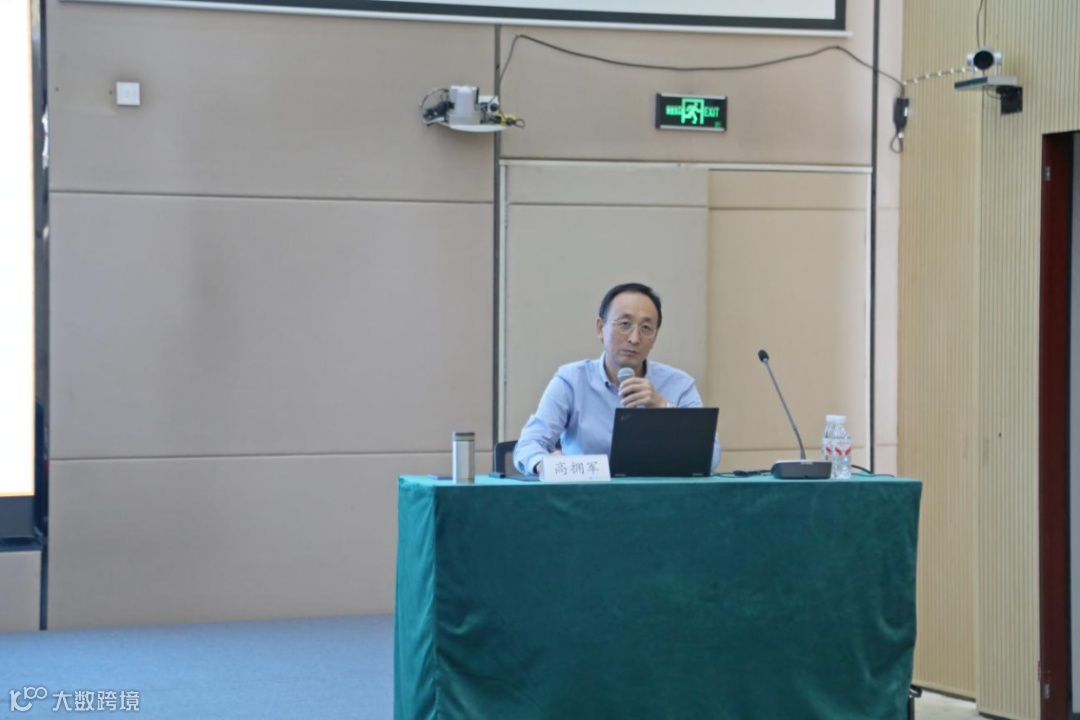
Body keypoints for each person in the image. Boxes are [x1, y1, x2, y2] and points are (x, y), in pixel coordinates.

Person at [513, 282, 721, 475]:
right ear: (600, 328)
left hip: (660, 497)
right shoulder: (572, 381)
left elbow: (711, 457)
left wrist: (664, 408)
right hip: (587, 496)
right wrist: (545, 464)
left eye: (646, 328)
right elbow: (529, 444)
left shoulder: (679, 384)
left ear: (655, 337)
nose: (634, 338)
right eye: (624, 324)